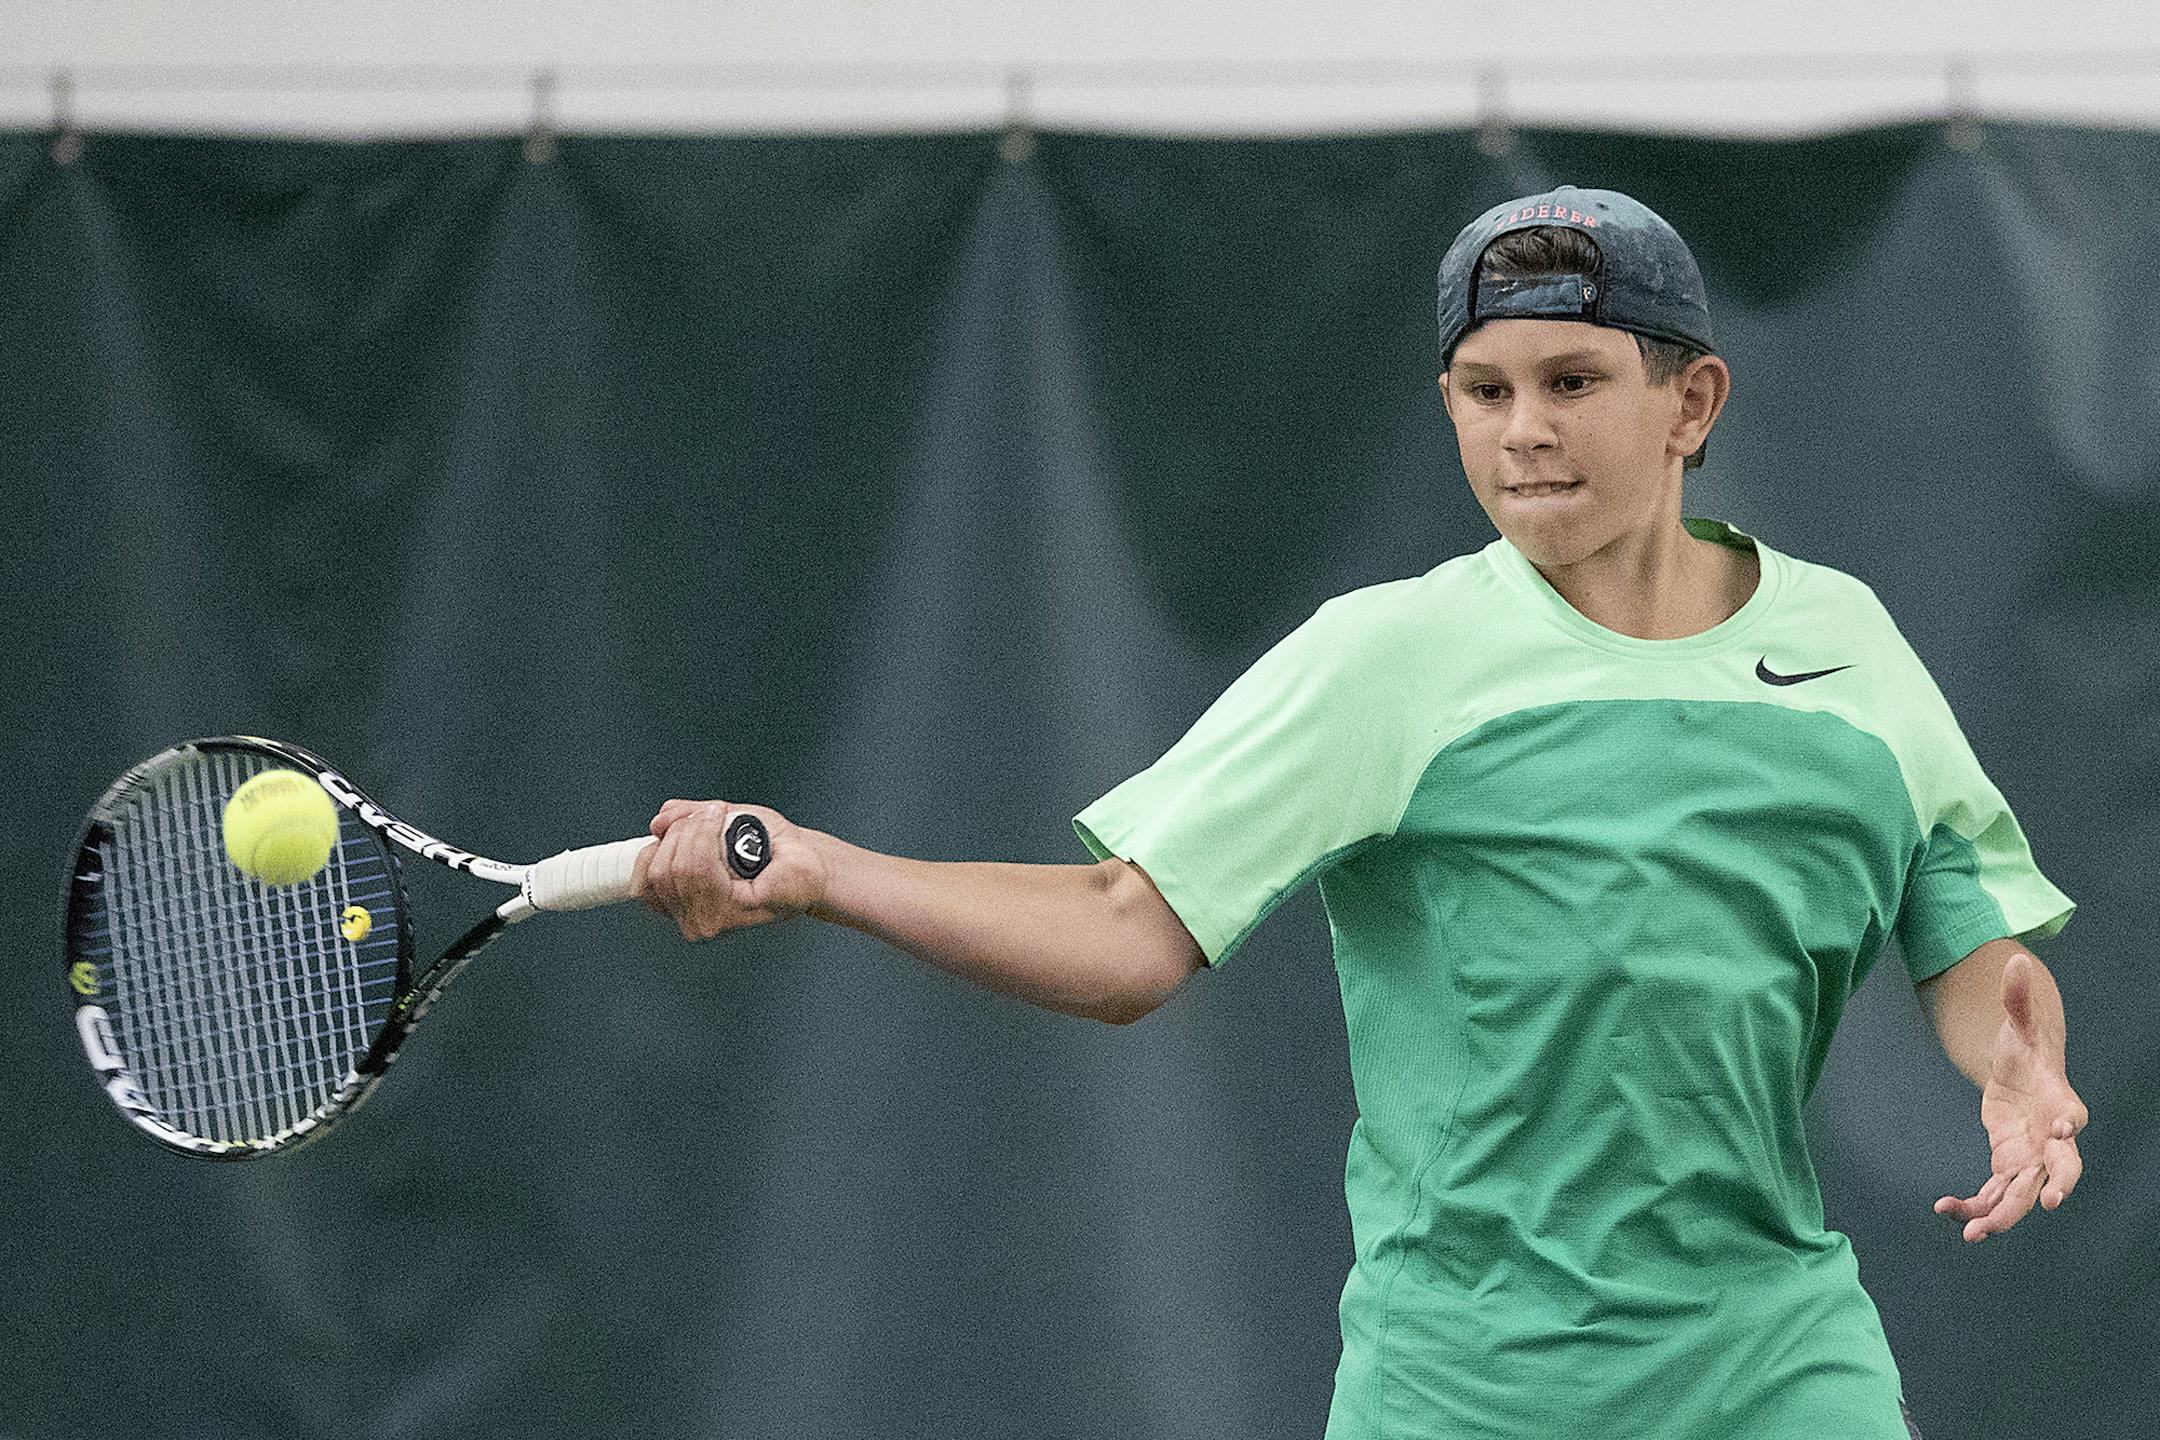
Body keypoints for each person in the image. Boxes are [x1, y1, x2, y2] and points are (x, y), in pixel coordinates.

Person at [631, 184, 2089, 1440]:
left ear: (1689, 403)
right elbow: (1127, 932)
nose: (1524, 430)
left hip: (1778, 1356)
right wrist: (823, 869)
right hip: (1465, 1385)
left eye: (1572, 382)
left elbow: (1957, 920)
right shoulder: (1385, 658)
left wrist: (2013, 1069)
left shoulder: (1845, 642)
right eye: (1485, 389)